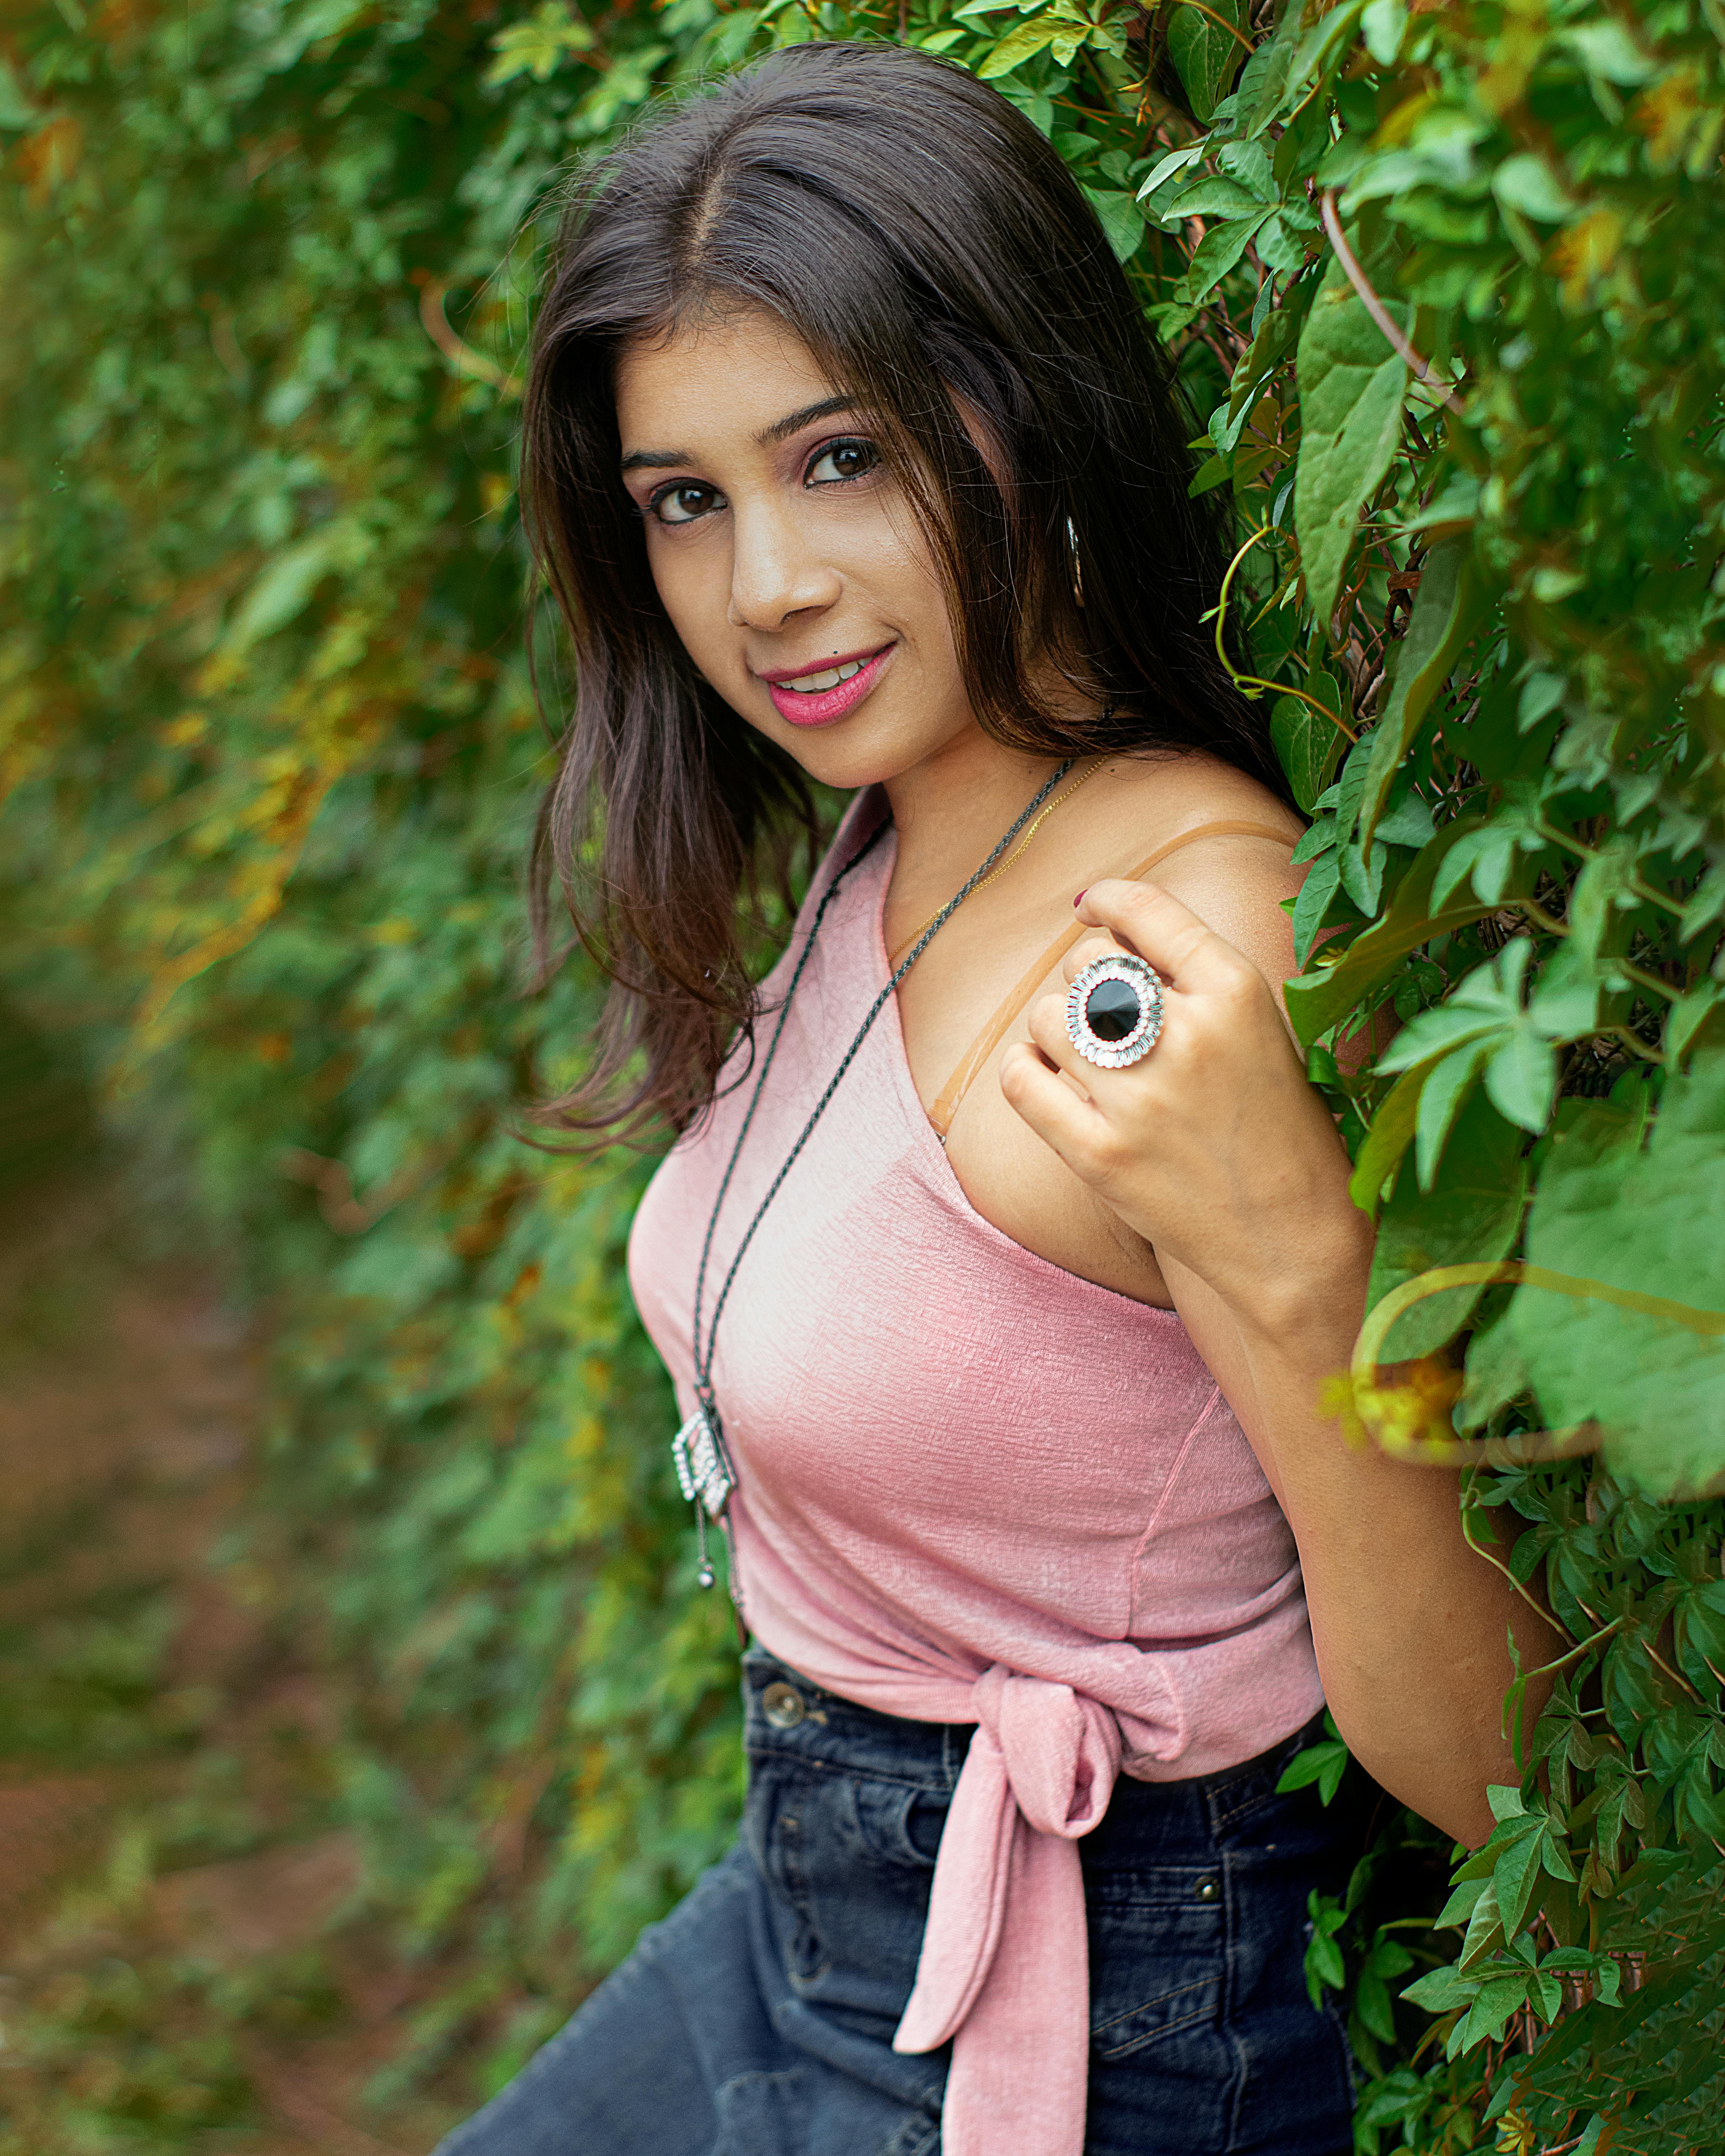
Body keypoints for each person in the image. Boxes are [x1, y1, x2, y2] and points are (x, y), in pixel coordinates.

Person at [434, 42, 1557, 2156]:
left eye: (840, 457)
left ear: (1025, 407)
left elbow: (1509, 1780)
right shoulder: (902, 820)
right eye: (686, 500)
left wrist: (1293, 1262)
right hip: (813, 1898)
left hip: (1114, 2003)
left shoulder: (1183, 931)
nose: (765, 585)